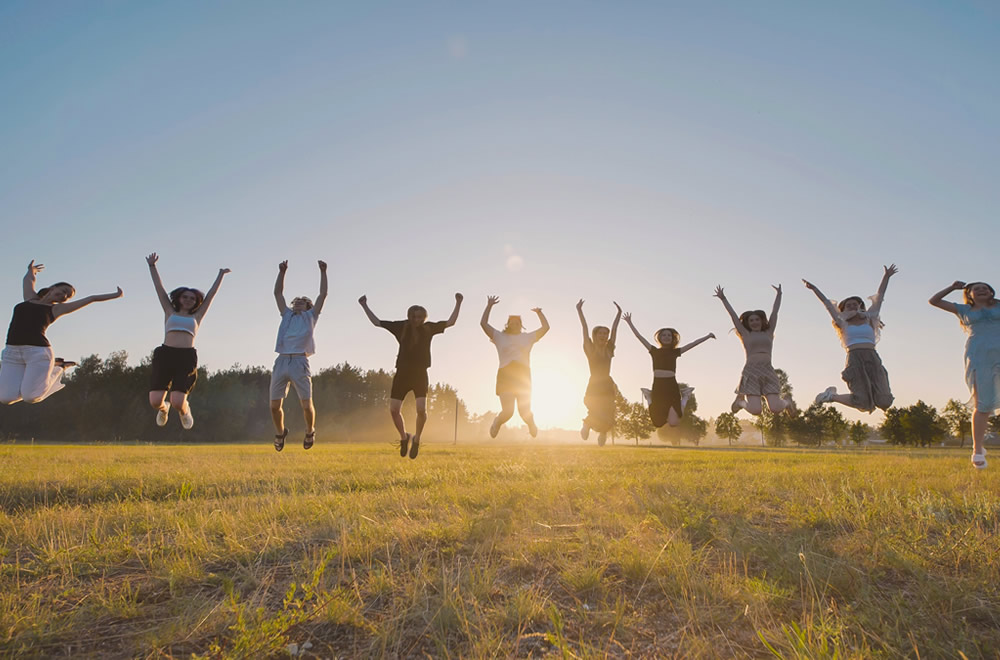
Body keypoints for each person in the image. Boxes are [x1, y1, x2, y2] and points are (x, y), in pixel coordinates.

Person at [0, 260, 123, 405]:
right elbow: (28, 280)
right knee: (6, 399)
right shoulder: (29, 298)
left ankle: (58, 368)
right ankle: (41, 374)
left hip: (37, 352)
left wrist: (116, 295)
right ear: (52, 288)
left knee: (31, 397)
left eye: (68, 296)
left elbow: (92, 299)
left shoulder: (55, 309)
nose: (64, 296)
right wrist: (31, 270)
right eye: (64, 291)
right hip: (12, 352)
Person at [359, 293, 463, 459]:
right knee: (394, 410)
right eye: (414, 317)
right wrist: (364, 306)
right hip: (402, 372)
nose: (417, 320)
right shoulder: (401, 326)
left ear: (424, 317)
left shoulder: (428, 328)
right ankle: (403, 437)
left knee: (421, 410)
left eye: (420, 317)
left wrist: (458, 303)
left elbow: (451, 322)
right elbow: (377, 322)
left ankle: (417, 439)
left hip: (420, 373)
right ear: (409, 316)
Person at [145, 253, 230, 430]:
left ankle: (185, 411)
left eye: (192, 298)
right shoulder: (169, 311)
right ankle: (163, 409)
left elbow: (211, 295)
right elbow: (159, 289)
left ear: (196, 301)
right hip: (165, 355)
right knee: (155, 402)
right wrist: (152, 266)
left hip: (186, 357)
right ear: (178, 298)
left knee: (178, 401)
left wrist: (220, 275)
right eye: (185, 297)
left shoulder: (197, 316)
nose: (189, 300)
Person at [805, 265, 898, 413]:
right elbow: (827, 304)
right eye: (848, 305)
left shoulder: (870, 318)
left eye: (855, 304)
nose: (852, 307)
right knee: (862, 402)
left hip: (872, 357)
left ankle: (833, 396)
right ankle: (831, 396)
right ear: (844, 309)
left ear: (860, 306)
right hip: (855, 358)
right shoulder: (842, 322)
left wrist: (886, 276)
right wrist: (815, 289)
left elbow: (880, 297)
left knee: (884, 401)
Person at [929, 280, 1000, 469]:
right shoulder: (963, 310)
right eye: (977, 289)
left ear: (991, 292)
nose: (982, 290)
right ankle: (978, 449)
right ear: (969, 294)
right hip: (979, 357)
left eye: (985, 288)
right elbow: (934, 301)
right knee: (982, 403)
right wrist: (952, 287)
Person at [270, 260, 328, 452]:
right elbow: (277, 293)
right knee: (274, 406)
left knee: (306, 404)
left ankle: (310, 431)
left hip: (300, 361)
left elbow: (323, 295)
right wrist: (282, 272)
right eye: (295, 302)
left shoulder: (311, 316)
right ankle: (280, 433)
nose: (297, 304)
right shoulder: (286, 315)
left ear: (308, 306)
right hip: (281, 361)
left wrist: (323, 272)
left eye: (301, 303)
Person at [714, 284, 795, 416]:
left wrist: (779, 295)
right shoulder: (745, 334)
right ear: (748, 322)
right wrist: (723, 299)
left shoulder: (769, 332)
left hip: (767, 370)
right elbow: (733, 316)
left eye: (757, 319)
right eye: (751, 320)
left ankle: (787, 402)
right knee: (756, 410)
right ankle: (740, 402)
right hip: (751, 371)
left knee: (775, 408)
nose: (754, 322)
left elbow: (775, 313)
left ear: (762, 321)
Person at [623, 311, 714, 429]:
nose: (666, 337)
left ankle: (685, 396)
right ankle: (649, 397)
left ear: (673, 339)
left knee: (673, 423)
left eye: (669, 335)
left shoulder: (675, 352)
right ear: (659, 338)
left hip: (671, 385)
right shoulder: (654, 351)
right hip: (658, 385)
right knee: (657, 423)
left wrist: (708, 336)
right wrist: (630, 322)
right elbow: (639, 337)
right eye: (664, 335)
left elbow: (693, 344)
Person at [481, 296, 549, 438]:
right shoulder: (499, 336)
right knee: (508, 412)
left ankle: (531, 424)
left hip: (523, 375)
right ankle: (497, 423)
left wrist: (539, 313)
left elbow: (545, 328)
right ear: (508, 324)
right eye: (512, 323)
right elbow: (483, 323)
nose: (515, 325)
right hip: (505, 374)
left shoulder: (528, 337)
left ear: (521, 325)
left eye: (517, 323)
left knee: (524, 412)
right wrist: (489, 306)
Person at [576, 299, 622, 446]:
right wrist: (580, 311)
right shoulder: (590, 348)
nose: (603, 336)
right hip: (595, 382)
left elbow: (615, 330)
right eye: (600, 333)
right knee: (594, 407)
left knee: (609, 410)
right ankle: (587, 425)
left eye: (605, 334)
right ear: (595, 335)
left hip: (607, 383)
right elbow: (584, 327)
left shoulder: (609, 349)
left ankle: (603, 432)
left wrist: (619, 314)